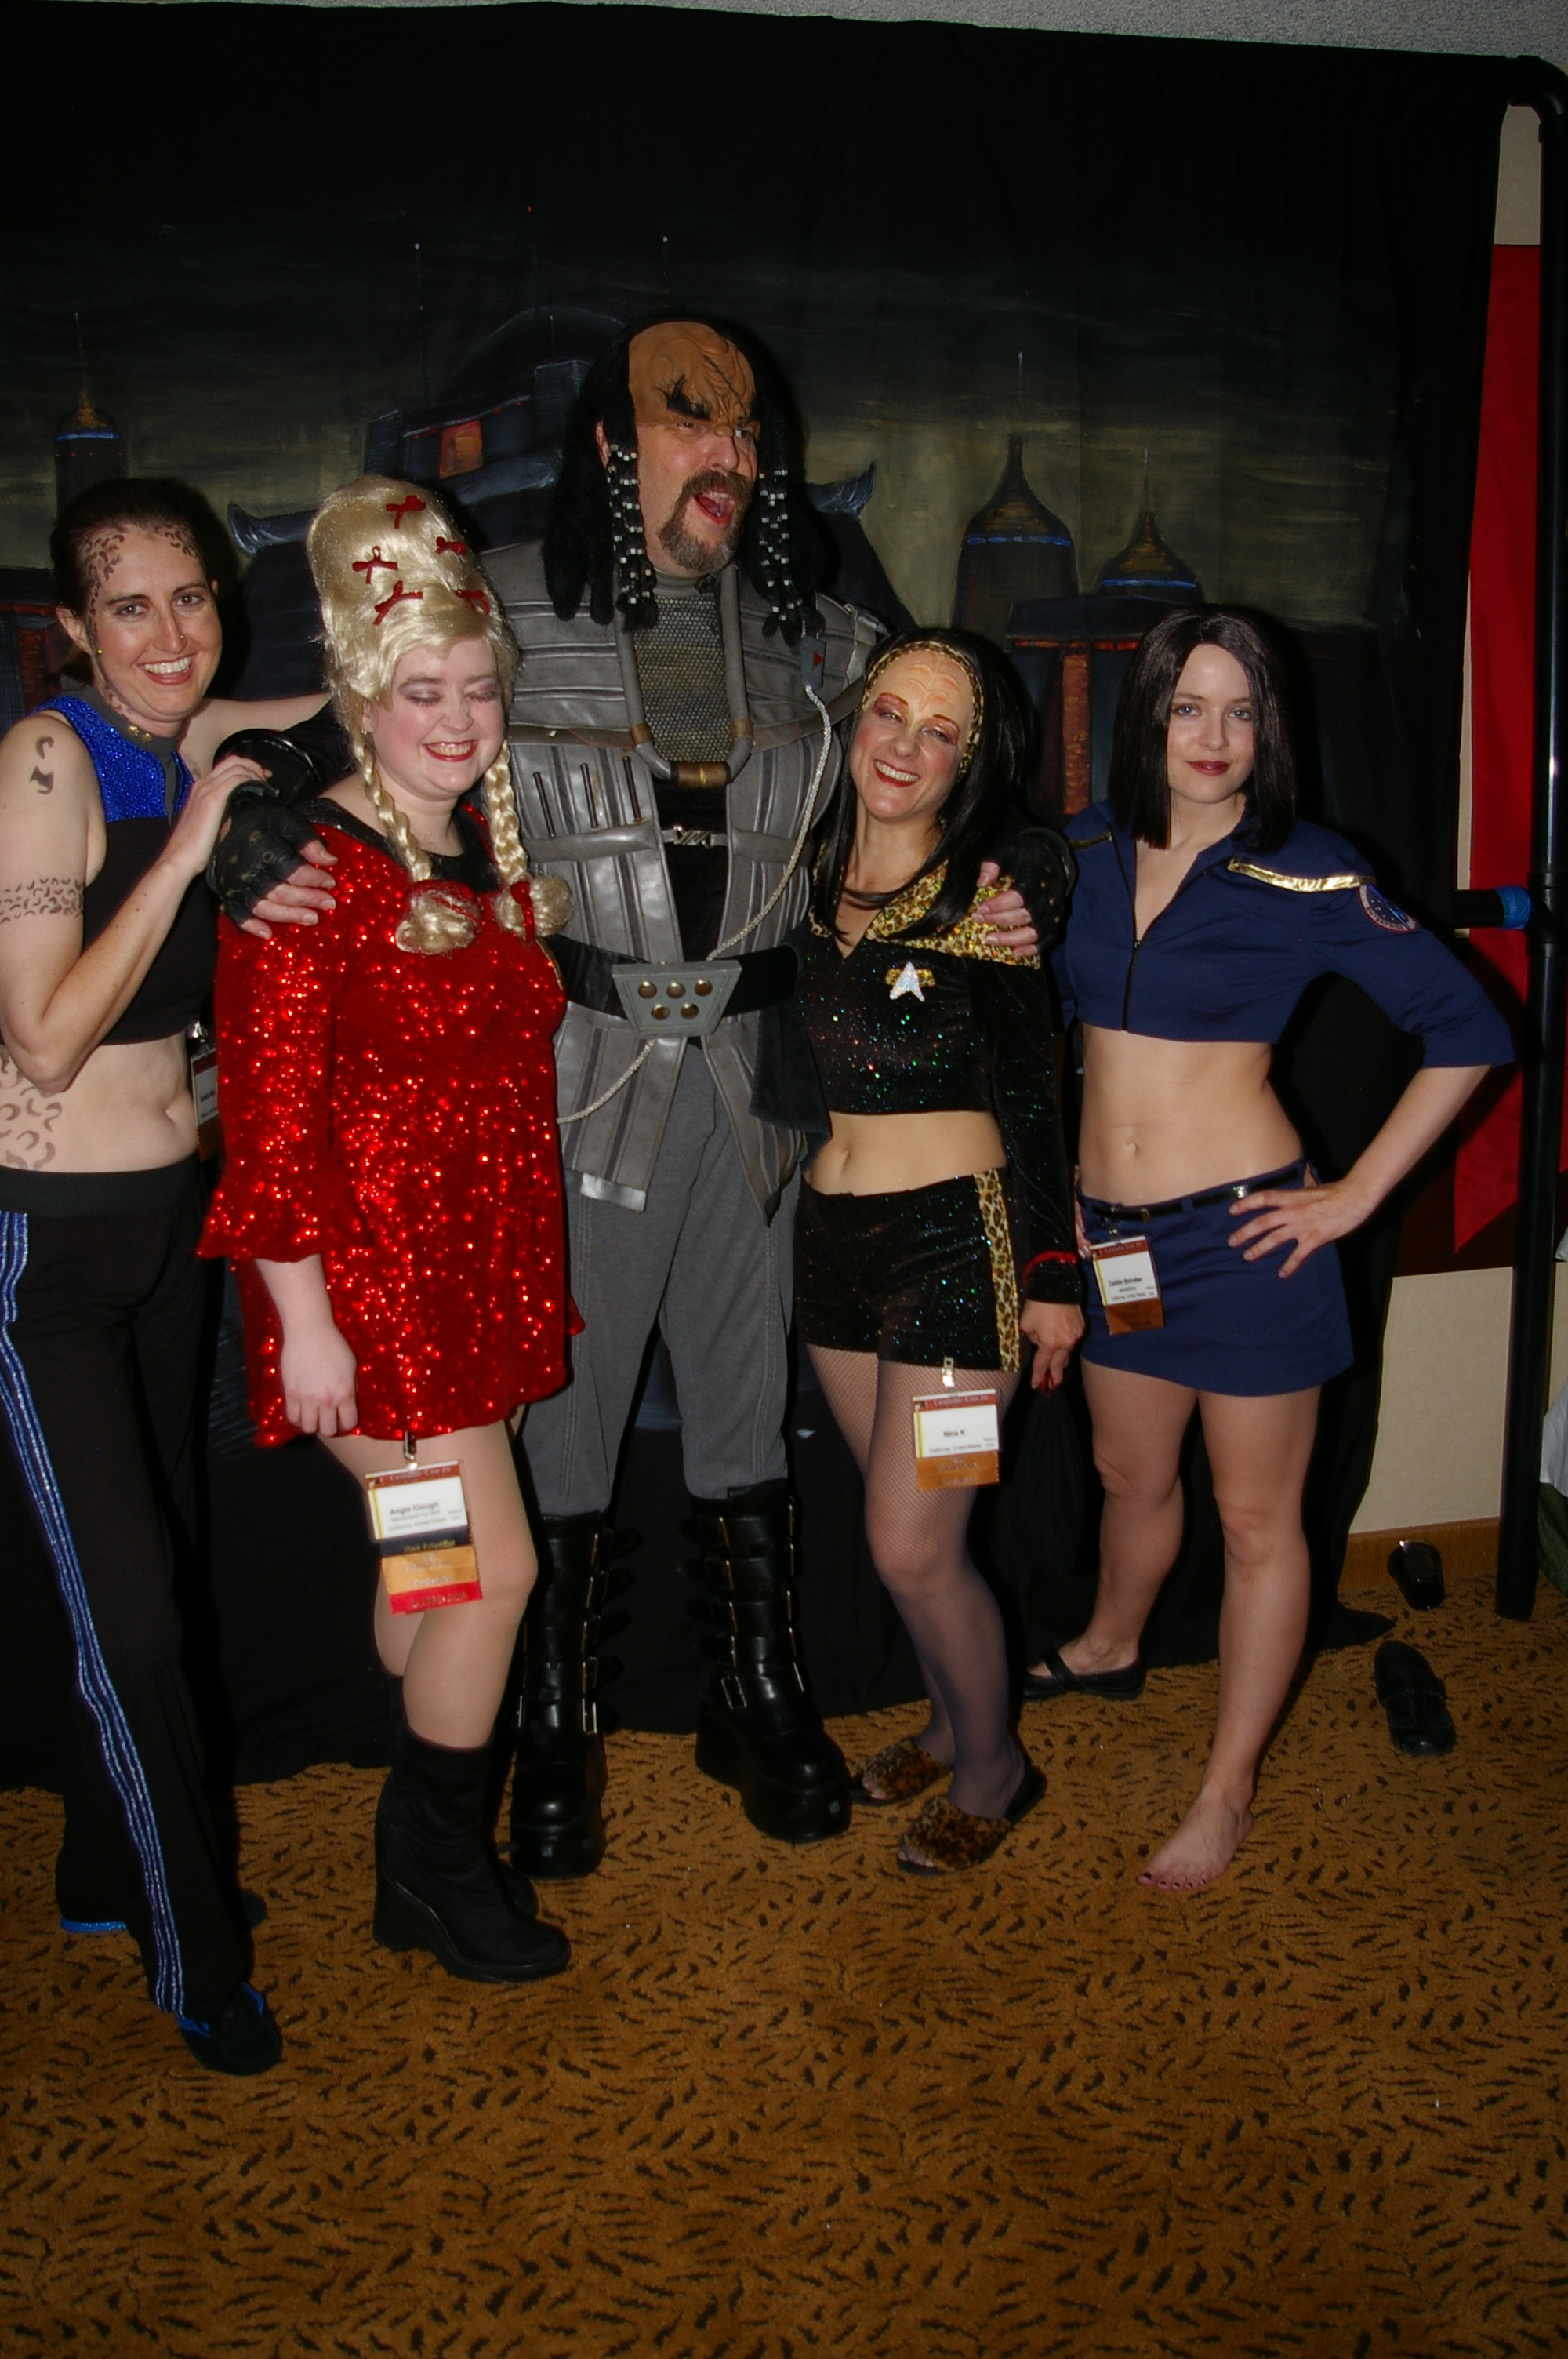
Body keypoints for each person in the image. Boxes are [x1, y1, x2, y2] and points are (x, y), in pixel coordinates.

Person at [215, 312, 1071, 1880]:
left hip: (757, 1088)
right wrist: (262, 800)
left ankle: (756, 1689)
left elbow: (949, 738)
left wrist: (1029, 863)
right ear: (615, 442)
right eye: (690, 420)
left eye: (745, 430)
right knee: (558, 1425)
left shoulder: (819, 633)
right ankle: (551, 1721)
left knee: (746, 1409)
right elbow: (364, 703)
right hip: (571, 1087)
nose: (725, 455)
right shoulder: (508, 610)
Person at [1040, 607, 1513, 1892]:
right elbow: (1015, 1018)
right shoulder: (1078, 850)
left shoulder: (1307, 869)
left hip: (1249, 1246)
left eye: (1241, 711)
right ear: (1147, 715)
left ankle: (1227, 1789)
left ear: (1271, 729)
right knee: (1129, 1475)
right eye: (1188, 707)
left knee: (1256, 1522)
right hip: (1116, 1246)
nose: (1214, 736)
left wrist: (1354, 1196)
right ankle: (1110, 1642)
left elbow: (1470, 1030)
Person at [200, 479, 572, 1984]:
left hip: (480, 1276)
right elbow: (268, 1121)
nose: (459, 718)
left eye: (478, 687)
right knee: (495, 1574)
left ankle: (418, 1824)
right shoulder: (307, 869)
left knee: (431, 1577)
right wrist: (304, 1321)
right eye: (424, 690)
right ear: (361, 696)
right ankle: (434, 1864)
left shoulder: (481, 847)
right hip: (367, 1293)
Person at [0, 474, 328, 2075]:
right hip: (44, 1255)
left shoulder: (193, 738)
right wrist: (195, 845)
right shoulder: (46, 761)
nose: (169, 631)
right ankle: (200, 1959)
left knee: (159, 1574)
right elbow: (43, 1036)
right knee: (129, 1616)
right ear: (75, 626)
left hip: (166, 1239)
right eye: (129, 605)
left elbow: (360, 703)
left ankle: (94, 1868)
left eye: (191, 596)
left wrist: (427, 613)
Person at [794, 630, 1083, 1870]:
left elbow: (1033, 1094)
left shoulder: (991, 896)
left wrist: (1052, 1272)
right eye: (890, 713)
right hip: (830, 1251)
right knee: (907, 1542)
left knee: (914, 1546)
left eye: (942, 730)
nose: (906, 746)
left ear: (974, 759)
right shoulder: (800, 872)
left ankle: (994, 1767)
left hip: (956, 1252)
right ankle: (950, 1720)